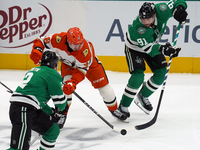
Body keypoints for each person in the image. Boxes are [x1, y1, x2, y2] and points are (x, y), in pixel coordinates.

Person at [30, 27, 127, 128]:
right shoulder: (58, 39)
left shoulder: (85, 50)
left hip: (90, 66)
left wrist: (74, 82)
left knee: (105, 89)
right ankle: (62, 114)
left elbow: (81, 71)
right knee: (65, 89)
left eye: (79, 44)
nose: (78, 47)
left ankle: (114, 109)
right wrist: (37, 50)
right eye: (75, 44)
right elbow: (41, 40)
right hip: (68, 65)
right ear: (67, 41)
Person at [118, 0, 187, 117]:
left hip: (152, 44)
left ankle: (143, 95)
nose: (145, 22)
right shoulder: (138, 28)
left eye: (148, 20)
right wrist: (165, 50)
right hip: (135, 49)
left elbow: (177, 1)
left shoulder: (162, 9)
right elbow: (149, 49)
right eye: (143, 19)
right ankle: (123, 106)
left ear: (155, 15)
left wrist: (180, 8)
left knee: (161, 74)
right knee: (138, 77)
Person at [7, 51, 68, 150]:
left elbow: (37, 101)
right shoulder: (52, 73)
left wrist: (51, 112)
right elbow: (60, 103)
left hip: (27, 108)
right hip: (23, 110)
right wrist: (63, 102)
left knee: (52, 130)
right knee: (18, 148)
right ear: (55, 65)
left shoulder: (33, 70)